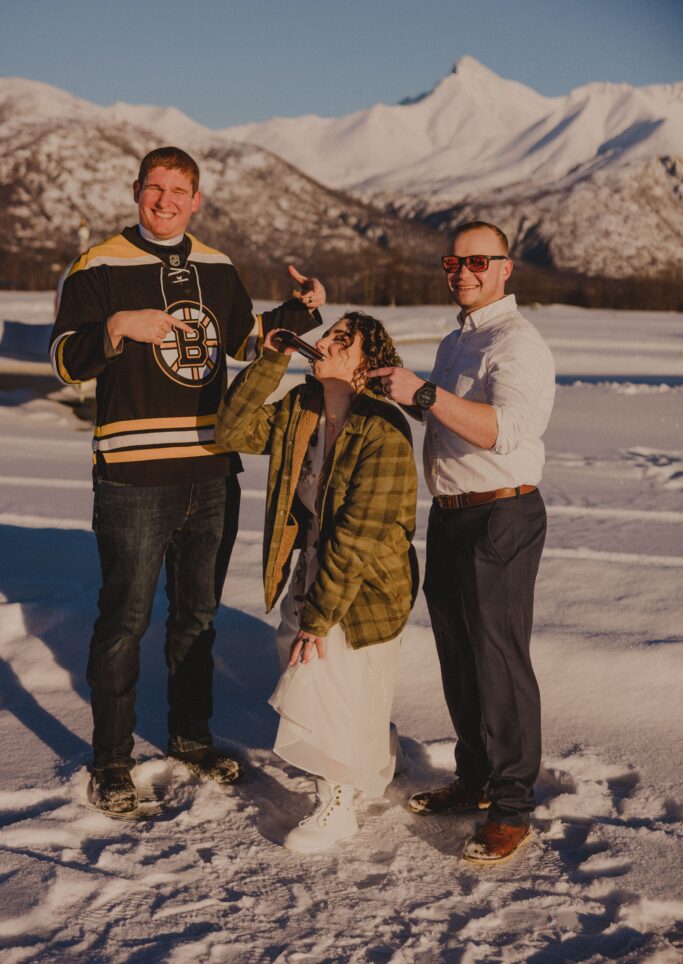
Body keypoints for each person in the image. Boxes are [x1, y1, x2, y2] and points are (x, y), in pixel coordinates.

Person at [50, 146, 326, 816]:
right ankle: (112, 761)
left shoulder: (216, 266)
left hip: (210, 471)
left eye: (179, 191)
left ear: (196, 199)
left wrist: (301, 309)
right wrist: (117, 327)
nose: (166, 201)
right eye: (155, 188)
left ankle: (190, 737)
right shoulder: (98, 267)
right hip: (134, 476)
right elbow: (64, 360)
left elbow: (243, 342)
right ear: (136, 190)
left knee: (196, 619)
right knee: (125, 619)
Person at [369, 221, 555, 865]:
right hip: (451, 516)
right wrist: (406, 391)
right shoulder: (457, 340)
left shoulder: (518, 345)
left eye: (480, 261)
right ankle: (475, 780)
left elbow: (502, 431)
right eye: (455, 260)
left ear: (507, 268)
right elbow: (447, 413)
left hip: (500, 516)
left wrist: (425, 393)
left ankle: (510, 807)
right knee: (460, 655)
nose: (464, 270)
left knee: (499, 661)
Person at [215, 312, 418, 852]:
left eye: (342, 340)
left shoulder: (384, 430)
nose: (325, 341)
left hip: (367, 583)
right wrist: (272, 358)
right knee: (331, 678)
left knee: (323, 676)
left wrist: (319, 619)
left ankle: (338, 803)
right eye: (328, 334)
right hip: (311, 570)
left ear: (366, 365)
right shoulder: (299, 410)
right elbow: (231, 429)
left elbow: (357, 535)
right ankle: (379, 753)